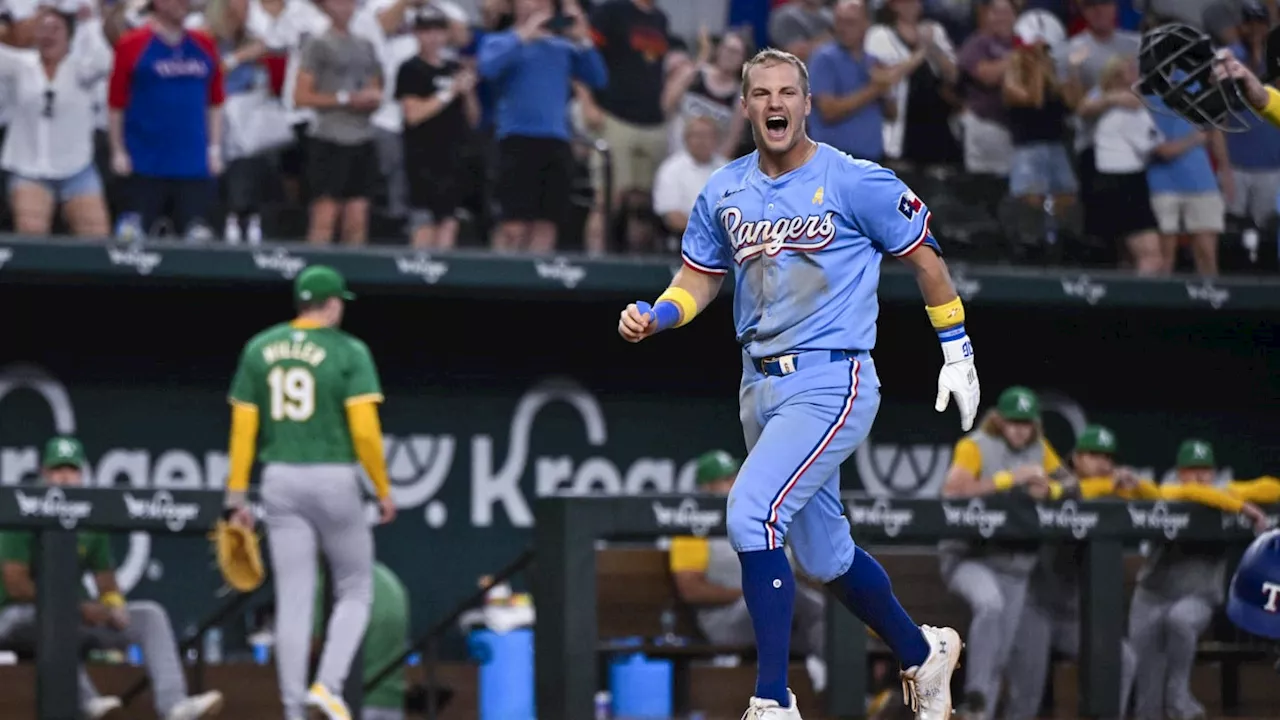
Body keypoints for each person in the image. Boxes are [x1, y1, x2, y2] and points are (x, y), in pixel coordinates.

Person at [616, 47, 977, 720]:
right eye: (761, 93)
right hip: (760, 386)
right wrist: (660, 314)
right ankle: (923, 655)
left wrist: (957, 351)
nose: (775, 103)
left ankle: (772, 699)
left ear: (806, 104)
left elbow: (926, 259)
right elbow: (699, 277)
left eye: (787, 92)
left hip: (832, 376)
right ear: (746, 105)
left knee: (751, 511)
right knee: (823, 552)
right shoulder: (724, 188)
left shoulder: (853, 179)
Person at [222, 264, 397, 720]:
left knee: (294, 598)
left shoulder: (259, 347)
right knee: (356, 588)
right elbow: (364, 431)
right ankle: (328, 684)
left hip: (279, 476)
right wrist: (382, 487)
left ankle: (292, 709)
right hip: (334, 476)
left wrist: (235, 497)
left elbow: (243, 430)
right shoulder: (348, 350)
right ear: (333, 303)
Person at [0, 437, 224, 720]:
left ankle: (174, 705)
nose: (64, 478)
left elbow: (106, 580)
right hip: (17, 617)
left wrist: (113, 605)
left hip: (74, 616)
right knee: (54, 619)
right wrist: (77, 608)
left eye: (70, 470)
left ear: (81, 475)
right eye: (57, 471)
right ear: (45, 474)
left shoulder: (89, 513)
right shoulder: (27, 505)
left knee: (149, 616)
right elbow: (15, 582)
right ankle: (89, 702)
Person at [940, 385, 1071, 720]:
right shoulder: (975, 446)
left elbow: (1071, 484)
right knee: (990, 603)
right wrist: (1008, 479)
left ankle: (977, 712)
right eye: (1013, 422)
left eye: (1026, 423)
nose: (1019, 429)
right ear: (999, 421)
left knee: (998, 654)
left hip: (1015, 567)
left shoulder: (1040, 449)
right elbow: (953, 492)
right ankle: (976, 694)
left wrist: (1050, 489)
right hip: (969, 558)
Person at [108, 0, 225, 240]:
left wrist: (214, 149)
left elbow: (215, 102)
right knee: (133, 245)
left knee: (197, 243)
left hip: (193, 167)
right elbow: (116, 104)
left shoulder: (204, 45)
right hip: (144, 165)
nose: (185, 3)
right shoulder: (131, 45)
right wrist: (118, 150)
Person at [0, 7, 112, 237]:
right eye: (42, 29)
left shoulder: (81, 68)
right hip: (29, 167)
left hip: (77, 167)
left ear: (68, 35)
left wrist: (89, 23)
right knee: (32, 230)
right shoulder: (20, 65)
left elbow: (104, 62)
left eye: (55, 29)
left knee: (97, 233)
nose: (48, 35)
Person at [293, 0, 383, 246]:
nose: (344, 7)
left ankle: (354, 280)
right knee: (325, 217)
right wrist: (346, 99)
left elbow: (375, 86)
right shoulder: (317, 44)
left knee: (358, 218)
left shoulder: (366, 45)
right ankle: (315, 280)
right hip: (329, 139)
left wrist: (371, 99)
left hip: (362, 138)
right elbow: (301, 96)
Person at [395, 6, 480, 250]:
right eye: (425, 31)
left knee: (449, 222)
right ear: (417, 34)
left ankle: (442, 285)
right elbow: (413, 114)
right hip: (421, 159)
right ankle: (416, 281)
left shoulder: (454, 68)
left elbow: (473, 118)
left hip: (452, 157)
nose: (432, 37)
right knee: (423, 224)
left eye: (437, 31)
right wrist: (450, 91)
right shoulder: (410, 68)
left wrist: (468, 90)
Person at [313, 561, 410, 720]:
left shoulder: (329, 583)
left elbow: (313, 645)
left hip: (349, 703)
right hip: (392, 704)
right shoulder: (391, 581)